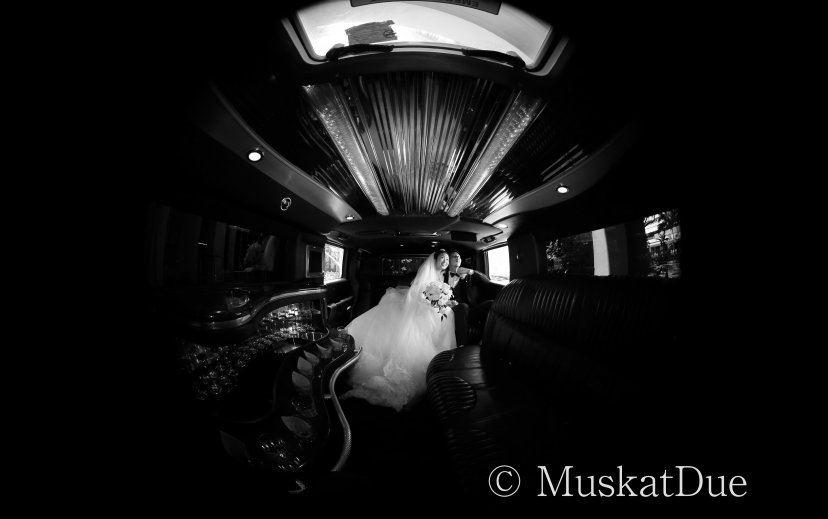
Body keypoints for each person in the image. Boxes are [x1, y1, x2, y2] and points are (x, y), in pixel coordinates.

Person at [341, 250, 457, 411]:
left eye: (447, 259)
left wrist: (443, 302)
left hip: (430, 307)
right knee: (445, 314)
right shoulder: (427, 274)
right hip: (420, 308)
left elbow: (435, 297)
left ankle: (443, 353)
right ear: (435, 260)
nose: (445, 261)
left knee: (448, 313)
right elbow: (418, 295)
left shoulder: (442, 275)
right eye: (442, 258)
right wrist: (437, 304)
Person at [447, 250, 493, 346]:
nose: (457, 258)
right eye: (454, 256)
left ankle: (486, 340)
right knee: (462, 306)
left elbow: (487, 281)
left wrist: (470, 271)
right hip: (450, 311)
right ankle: (462, 346)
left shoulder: (469, 276)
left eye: (459, 256)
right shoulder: (442, 275)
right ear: (448, 261)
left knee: (491, 303)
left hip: (468, 311)